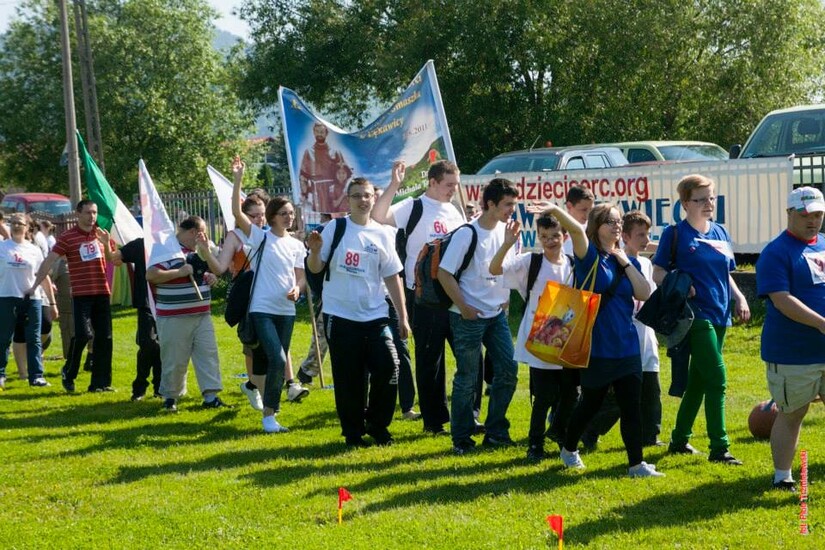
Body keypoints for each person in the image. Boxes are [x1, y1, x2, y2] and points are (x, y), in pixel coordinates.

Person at [550, 202, 663, 477]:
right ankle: (568, 448)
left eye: (618, 222)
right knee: (590, 404)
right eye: (610, 222)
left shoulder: (626, 260)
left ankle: (636, 464)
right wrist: (555, 210)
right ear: (597, 227)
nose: (616, 226)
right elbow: (576, 230)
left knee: (631, 406)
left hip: (626, 345)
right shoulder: (588, 256)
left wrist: (624, 260)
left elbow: (645, 292)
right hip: (597, 346)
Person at [652, 174, 750, 465]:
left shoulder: (720, 232)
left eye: (711, 198)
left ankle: (679, 439)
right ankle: (720, 447)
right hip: (694, 315)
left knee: (698, 379)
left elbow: (725, 273)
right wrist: (679, 282)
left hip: (721, 312)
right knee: (717, 378)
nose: (709, 204)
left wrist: (739, 297)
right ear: (685, 203)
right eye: (701, 199)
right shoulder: (676, 233)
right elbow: (657, 272)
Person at [306, 177, 409, 447]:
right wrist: (315, 252)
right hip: (340, 315)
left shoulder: (384, 233)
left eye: (366, 195)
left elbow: (392, 277)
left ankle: (378, 426)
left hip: (376, 316)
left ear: (374, 199)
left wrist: (403, 317)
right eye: (356, 196)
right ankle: (353, 433)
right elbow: (316, 269)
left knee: (390, 367)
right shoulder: (334, 229)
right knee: (349, 377)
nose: (362, 200)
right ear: (347, 200)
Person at [372, 160, 466, 433]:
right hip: (423, 295)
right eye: (449, 185)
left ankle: (466, 415)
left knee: (466, 356)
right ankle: (434, 422)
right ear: (433, 182)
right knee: (429, 360)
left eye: (455, 185)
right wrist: (394, 185)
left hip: (454, 292)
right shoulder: (414, 206)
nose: (452, 190)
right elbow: (379, 215)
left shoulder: (456, 210)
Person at [437, 178, 520, 454]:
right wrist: (463, 307)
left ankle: (496, 430)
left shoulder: (508, 233)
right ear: (490, 204)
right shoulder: (467, 234)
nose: (512, 210)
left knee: (508, 370)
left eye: (514, 204)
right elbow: (444, 274)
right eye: (507, 204)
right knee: (468, 378)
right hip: (467, 317)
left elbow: (506, 270)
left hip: (496, 315)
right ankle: (461, 437)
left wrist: (505, 299)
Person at [490, 211, 578, 460]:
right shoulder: (531, 262)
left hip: (566, 338)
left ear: (565, 235)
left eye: (555, 235)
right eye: (544, 236)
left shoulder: (572, 263)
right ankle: (535, 443)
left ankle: (560, 433)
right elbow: (495, 268)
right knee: (543, 396)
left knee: (570, 393)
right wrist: (507, 243)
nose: (550, 241)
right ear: (538, 237)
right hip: (540, 338)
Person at [756, 186, 825, 491]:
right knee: (793, 412)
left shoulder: (823, 244)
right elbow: (782, 300)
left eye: (818, 214)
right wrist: (822, 324)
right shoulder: (775, 252)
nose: (813, 221)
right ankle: (782, 476)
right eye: (806, 214)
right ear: (790, 213)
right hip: (792, 352)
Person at [232, 157, 307, 433]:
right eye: (284, 213)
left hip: (286, 311)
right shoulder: (261, 237)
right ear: (273, 216)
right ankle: (269, 415)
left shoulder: (297, 245)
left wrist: (298, 288)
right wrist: (238, 179)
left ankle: (269, 411)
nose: (290, 217)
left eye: (291, 213)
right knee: (276, 358)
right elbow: (237, 215)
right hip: (261, 309)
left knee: (275, 358)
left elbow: (301, 276)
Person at [580, 211, 664, 449]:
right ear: (625, 236)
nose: (645, 239)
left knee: (650, 388)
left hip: (646, 332)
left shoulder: (645, 263)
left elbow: (647, 295)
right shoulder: (615, 261)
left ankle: (650, 435)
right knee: (619, 396)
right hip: (624, 333)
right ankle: (589, 429)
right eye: (640, 234)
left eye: (647, 234)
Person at [29, 200, 114, 393]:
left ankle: (100, 383)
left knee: (105, 338)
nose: (92, 217)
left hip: (102, 292)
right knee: (84, 335)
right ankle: (69, 370)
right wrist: (36, 284)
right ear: (78, 214)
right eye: (87, 213)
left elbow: (112, 261)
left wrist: (106, 244)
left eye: (94, 213)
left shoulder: (101, 234)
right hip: (81, 294)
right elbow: (49, 261)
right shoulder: (68, 237)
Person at [146, 216, 225, 412]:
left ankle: (211, 396)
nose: (205, 236)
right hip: (174, 316)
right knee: (175, 358)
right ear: (193, 232)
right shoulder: (165, 249)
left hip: (202, 314)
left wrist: (209, 276)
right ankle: (171, 398)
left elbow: (215, 270)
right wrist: (179, 272)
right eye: (203, 232)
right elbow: (152, 275)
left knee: (208, 355)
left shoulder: (199, 251)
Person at [100, 236, 161, 401]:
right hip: (146, 302)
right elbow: (114, 259)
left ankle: (160, 388)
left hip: (167, 302)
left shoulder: (169, 244)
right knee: (148, 344)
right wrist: (106, 244)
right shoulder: (140, 244)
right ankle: (140, 387)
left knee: (162, 347)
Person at [0, 213, 58, 389]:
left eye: (20, 223)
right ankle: (1, 374)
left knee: (34, 338)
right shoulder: (2, 247)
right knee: (3, 338)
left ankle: (36, 376)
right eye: (14, 223)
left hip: (32, 299)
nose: (17, 226)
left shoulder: (34, 250)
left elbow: (43, 276)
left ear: (27, 227)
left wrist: (53, 303)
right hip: (6, 296)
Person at [299, 122, 348, 213]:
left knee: (335, 214)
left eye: (322, 132)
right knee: (319, 216)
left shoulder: (335, 151)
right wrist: (304, 193)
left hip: (333, 188)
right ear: (314, 133)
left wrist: (342, 189)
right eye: (317, 131)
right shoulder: (309, 152)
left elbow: (344, 171)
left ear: (326, 133)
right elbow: (303, 175)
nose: (319, 134)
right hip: (316, 189)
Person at [561, 185, 594, 255]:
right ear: (569, 206)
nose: (588, 215)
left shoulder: (593, 229)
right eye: (584, 210)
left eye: (590, 210)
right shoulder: (558, 231)